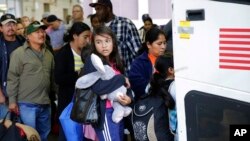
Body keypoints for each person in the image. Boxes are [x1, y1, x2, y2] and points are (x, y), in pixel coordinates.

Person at [79, 26, 133, 141]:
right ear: (94, 44)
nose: (104, 45)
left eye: (107, 41)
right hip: (105, 113)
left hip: (119, 110)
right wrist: (121, 78)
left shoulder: (116, 60)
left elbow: (125, 87)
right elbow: (98, 88)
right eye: (99, 42)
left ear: (113, 42)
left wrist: (129, 99)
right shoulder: (92, 61)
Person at [7, 23, 56, 141]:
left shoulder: (49, 54)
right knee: (30, 136)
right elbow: (12, 78)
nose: (41, 34)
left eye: (43, 31)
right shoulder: (19, 53)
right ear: (28, 36)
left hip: (45, 102)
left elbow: (52, 78)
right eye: (37, 32)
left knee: (44, 135)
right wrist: (12, 101)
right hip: (26, 103)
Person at [54, 22, 91, 141]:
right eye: (85, 37)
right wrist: (78, 75)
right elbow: (58, 78)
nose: (87, 40)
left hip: (84, 102)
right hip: (68, 102)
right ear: (75, 36)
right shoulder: (63, 53)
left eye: (88, 37)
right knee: (68, 134)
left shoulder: (88, 52)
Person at [89, 0, 141, 74]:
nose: (96, 13)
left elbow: (138, 52)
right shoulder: (98, 29)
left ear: (108, 9)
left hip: (127, 76)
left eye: (99, 9)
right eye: (96, 10)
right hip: (106, 77)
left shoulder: (125, 24)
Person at [128, 27, 167, 101]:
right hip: (148, 103)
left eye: (164, 43)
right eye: (159, 43)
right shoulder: (138, 63)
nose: (163, 47)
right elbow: (137, 85)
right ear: (149, 44)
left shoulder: (169, 59)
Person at [0, 13, 25, 119]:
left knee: (24, 128)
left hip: (23, 92)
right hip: (5, 93)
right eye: (7, 25)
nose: (10, 27)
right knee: (7, 126)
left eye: (13, 24)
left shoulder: (24, 42)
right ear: (1, 28)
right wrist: (0, 94)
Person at [152, 55, 177, 141]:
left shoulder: (151, 86)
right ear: (171, 70)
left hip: (156, 131)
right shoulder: (175, 87)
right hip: (171, 134)